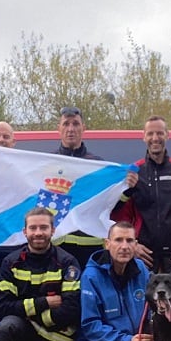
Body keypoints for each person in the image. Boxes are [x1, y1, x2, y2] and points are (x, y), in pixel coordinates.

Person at [0, 207, 85, 341]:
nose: (38, 232)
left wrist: (30, 313)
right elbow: (3, 307)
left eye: (43, 227)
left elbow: (72, 309)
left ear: (53, 230)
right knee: (7, 326)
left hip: (57, 340)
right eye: (33, 228)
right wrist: (44, 302)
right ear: (24, 232)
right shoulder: (11, 262)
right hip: (24, 335)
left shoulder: (67, 262)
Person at [112, 115, 171, 301]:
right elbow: (122, 218)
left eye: (159, 133)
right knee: (141, 308)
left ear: (167, 135)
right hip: (143, 254)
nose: (155, 138)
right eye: (150, 133)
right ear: (143, 137)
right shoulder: (133, 172)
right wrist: (132, 244)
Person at [76, 222, 153, 341]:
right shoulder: (91, 276)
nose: (124, 246)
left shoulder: (141, 270)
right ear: (107, 244)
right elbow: (90, 327)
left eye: (129, 241)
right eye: (118, 240)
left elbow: (151, 309)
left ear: (136, 245)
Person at [52, 106, 105, 269]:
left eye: (75, 124)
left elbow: (113, 204)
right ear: (59, 129)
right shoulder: (48, 163)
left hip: (92, 247)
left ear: (83, 128)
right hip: (57, 248)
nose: (71, 129)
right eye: (66, 124)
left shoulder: (99, 165)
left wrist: (128, 186)